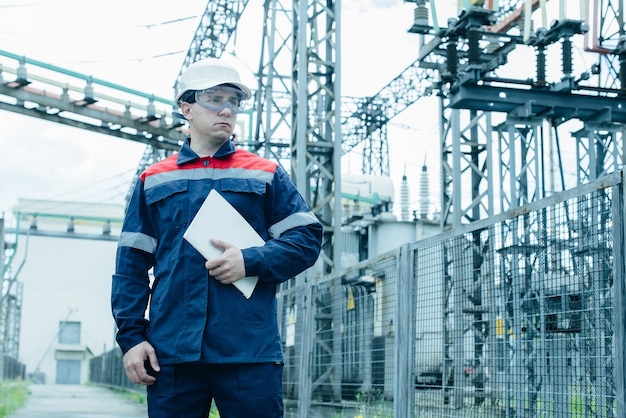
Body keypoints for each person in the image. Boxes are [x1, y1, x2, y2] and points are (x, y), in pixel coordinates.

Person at [111, 57, 323, 418]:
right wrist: (132, 339)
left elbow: (306, 238)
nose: (226, 109)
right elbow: (131, 266)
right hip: (172, 351)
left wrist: (251, 260)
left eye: (234, 102)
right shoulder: (154, 179)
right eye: (214, 98)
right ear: (187, 108)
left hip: (247, 350)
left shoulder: (264, 172)